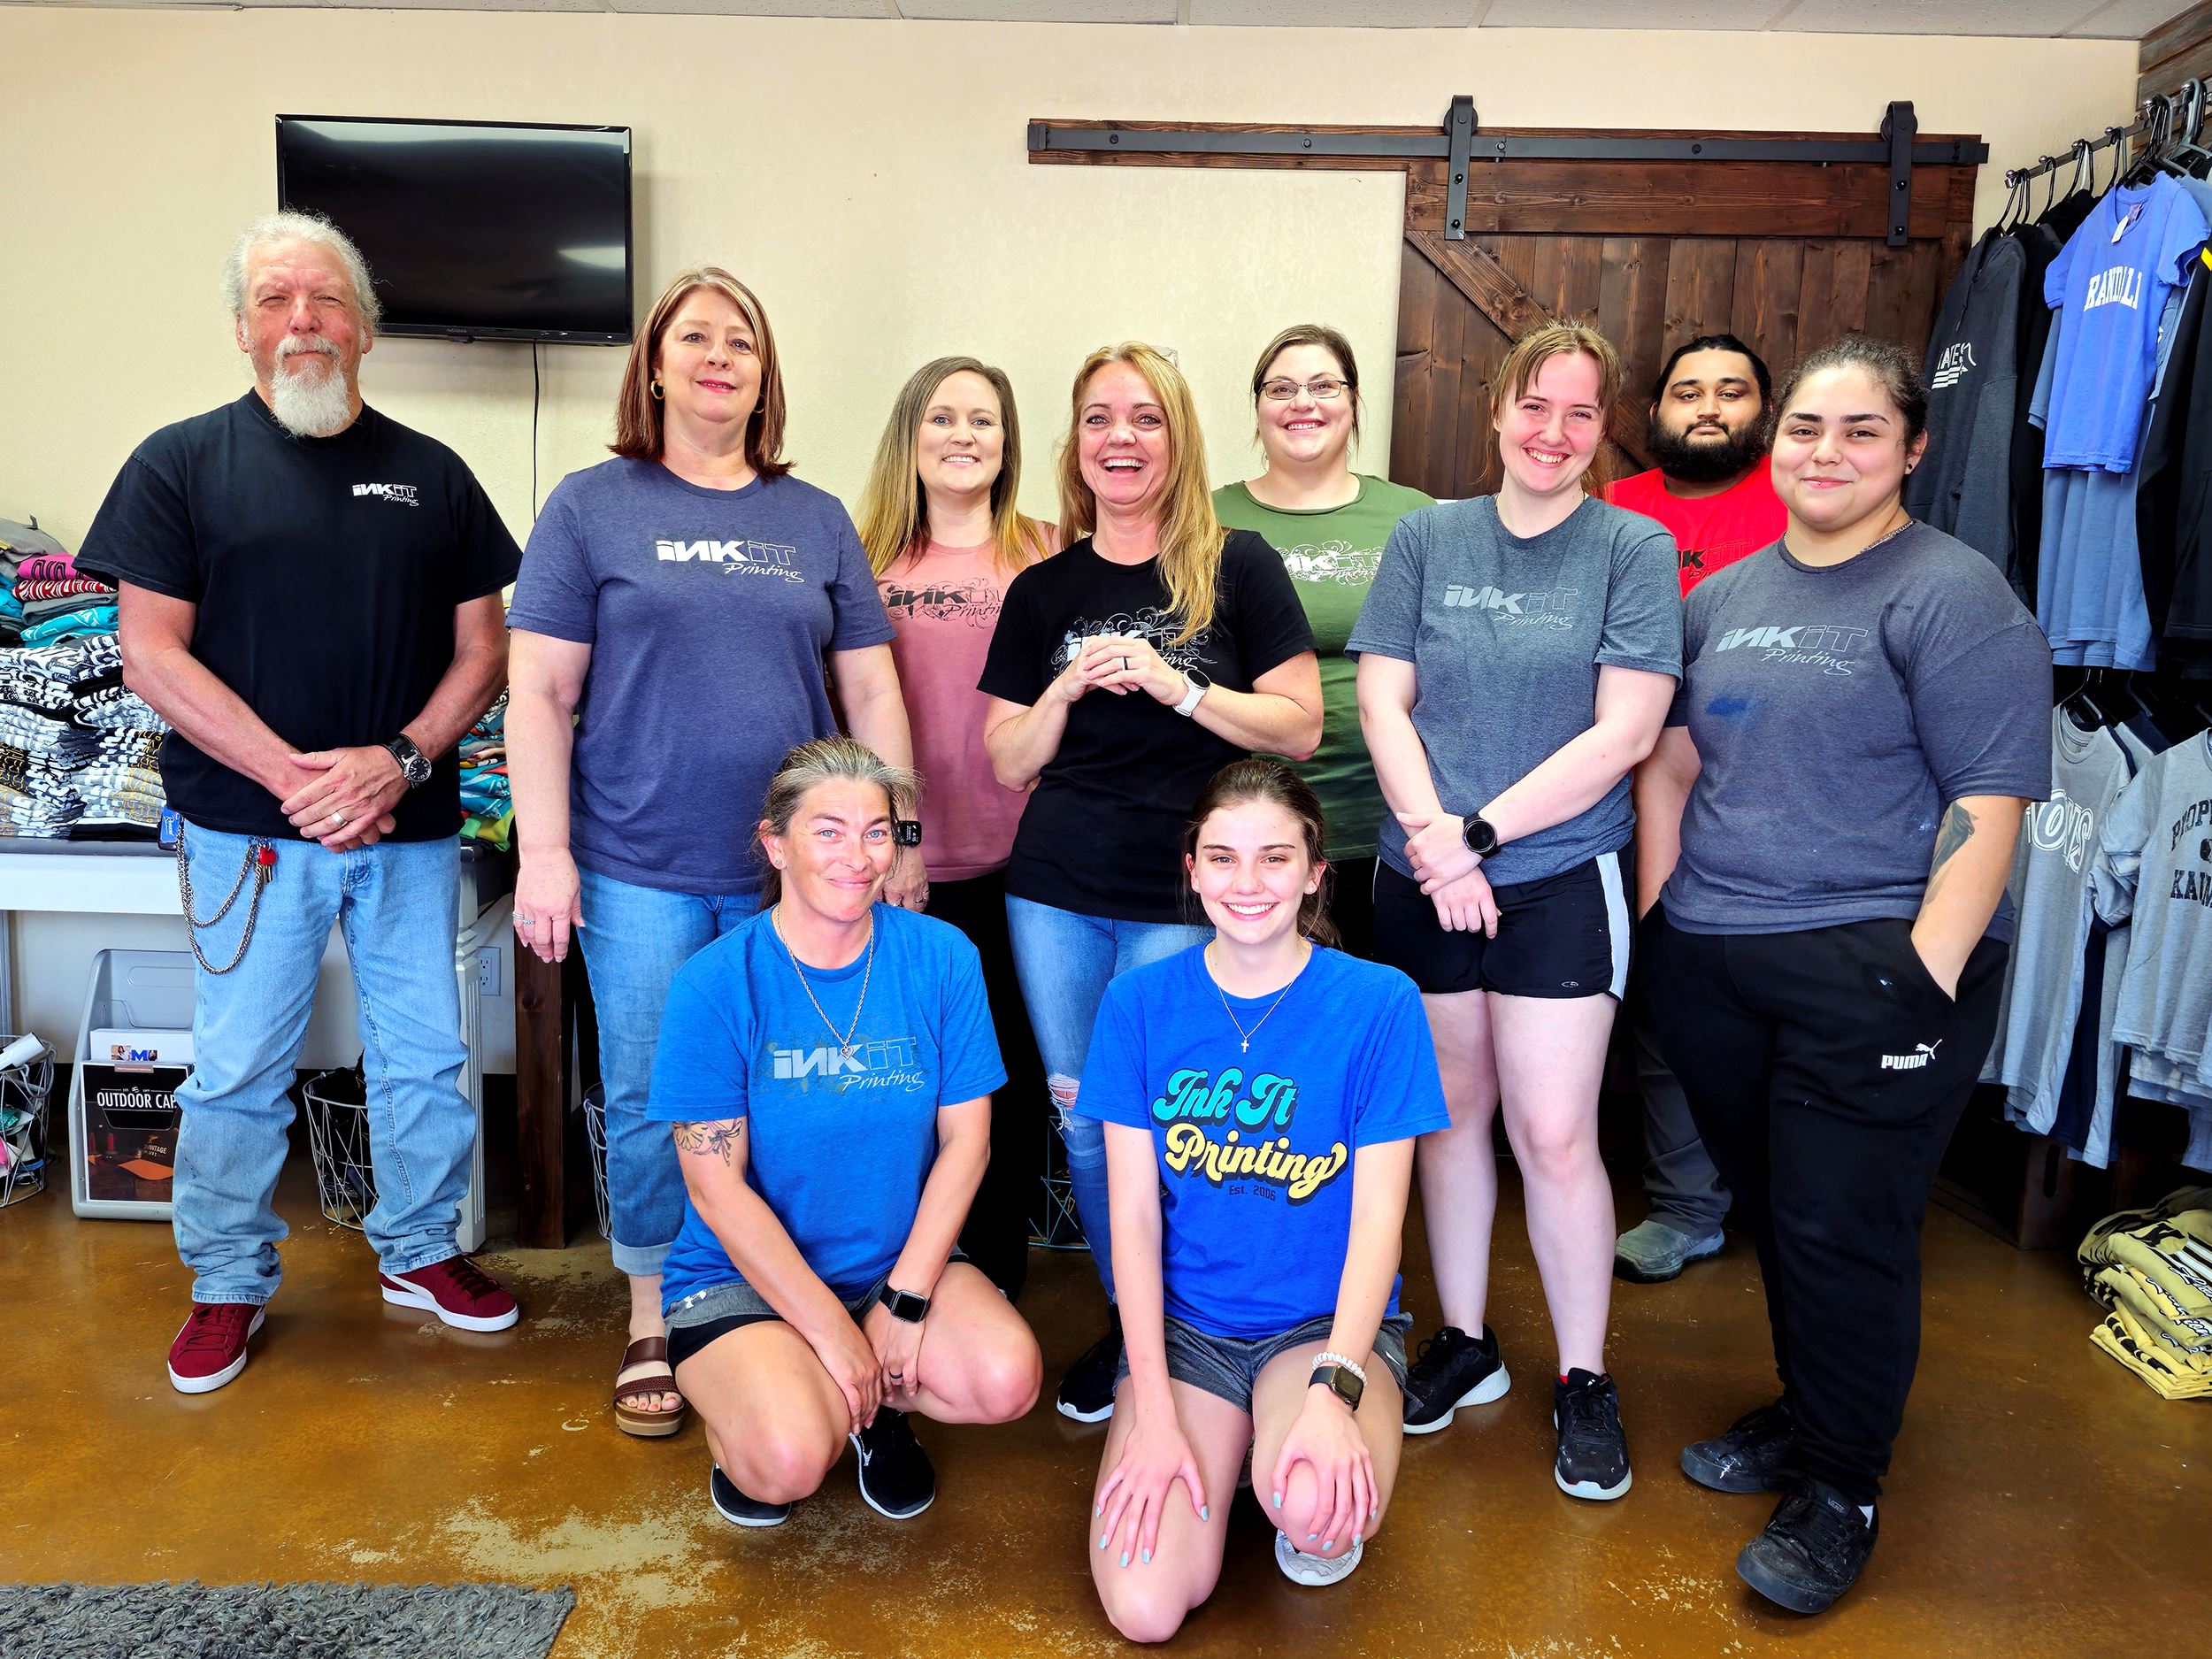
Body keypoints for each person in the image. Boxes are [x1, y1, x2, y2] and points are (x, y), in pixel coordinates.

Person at [1637, 336, 2050, 1614]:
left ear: (1913, 448)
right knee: (1779, 1210)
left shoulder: (1953, 594)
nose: (1827, 452)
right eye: (1808, 428)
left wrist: (1917, 981)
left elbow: (1993, 803)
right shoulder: (1727, 594)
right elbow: (1670, 760)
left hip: (1872, 962)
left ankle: (1842, 1486)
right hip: (1713, 954)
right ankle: (1815, 1410)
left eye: (1861, 430)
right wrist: (1662, 921)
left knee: (1843, 1226)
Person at [80, 211, 521, 1395]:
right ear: (241, 328)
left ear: (364, 326)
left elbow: (484, 649)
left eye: (325, 300)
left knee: (428, 1058)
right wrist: (298, 778)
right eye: (276, 300)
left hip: (408, 829)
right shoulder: (180, 463)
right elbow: (150, 654)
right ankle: (225, 1278)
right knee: (235, 1069)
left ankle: (422, 1249)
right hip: (248, 834)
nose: (303, 321)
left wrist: (400, 760)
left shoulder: (434, 473)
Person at [505, 266, 923, 1440]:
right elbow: (535, 688)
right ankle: (654, 1302)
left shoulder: (813, 518)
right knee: (653, 1094)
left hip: (801, 873)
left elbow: (872, 685)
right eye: (696, 337)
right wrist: (545, 852)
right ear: (654, 365)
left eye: (742, 339)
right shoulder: (592, 506)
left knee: (794, 1094)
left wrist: (897, 832)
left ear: (763, 374)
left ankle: (774, 1303)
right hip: (635, 863)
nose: (719, 356)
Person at [1348, 320, 1679, 1499]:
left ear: (1602, 430)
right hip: (1422, 871)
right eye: (1535, 407)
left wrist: (1478, 836)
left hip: (1555, 879)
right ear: (1497, 414)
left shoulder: (1633, 547)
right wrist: (1438, 842)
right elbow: (1384, 700)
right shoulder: (1427, 536)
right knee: (1454, 1116)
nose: (1553, 432)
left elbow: (1625, 731)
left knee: (1552, 1134)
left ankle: (1584, 1377)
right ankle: (1468, 1338)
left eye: (1581, 413)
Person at [979, 342, 1322, 1424]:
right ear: (1075, 447)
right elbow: (1005, 758)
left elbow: (1301, 726)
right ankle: (1137, 1330)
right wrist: (1064, 693)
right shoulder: (1044, 590)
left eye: (1143, 419)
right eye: (1097, 420)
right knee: (1087, 1122)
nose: (1119, 439)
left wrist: (1180, 689)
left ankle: (1197, 1331)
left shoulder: (1240, 565)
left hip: (1190, 894)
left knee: (1186, 1123)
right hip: (1056, 889)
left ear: (1177, 440)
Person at [1079, 761, 1448, 1638]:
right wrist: (1155, 1413)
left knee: (1316, 1511)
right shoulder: (1137, 1004)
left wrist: (1333, 1389)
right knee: (1143, 1608)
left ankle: (1279, 1443)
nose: (1248, 883)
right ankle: (1226, 1440)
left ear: (1316, 872)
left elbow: (1379, 1226)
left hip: (1318, 1329)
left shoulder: (1377, 1003)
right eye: (1224, 858)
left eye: (1275, 858)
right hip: (1188, 1333)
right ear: (1192, 868)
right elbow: (1129, 1220)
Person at [648, 737, 1041, 1526]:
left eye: (877, 830)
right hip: (740, 1278)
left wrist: (902, 1299)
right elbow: (714, 1188)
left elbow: (970, 1141)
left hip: (890, 1264)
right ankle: (773, 1420)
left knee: (1008, 1378)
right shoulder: (716, 982)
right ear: (775, 843)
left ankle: (873, 1410)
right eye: (828, 830)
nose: (858, 856)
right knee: (786, 1461)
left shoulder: (942, 956)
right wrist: (834, 1333)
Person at [857, 357, 1058, 1297]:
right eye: (943, 418)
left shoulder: (1050, 554)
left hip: (1029, 868)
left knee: (1007, 1086)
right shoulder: (864, 561)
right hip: (899, 870)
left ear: (1008, 443)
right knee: (903, 1087)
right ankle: (900, 1280)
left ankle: (990, 1289)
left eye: (984, 419)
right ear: (911, 435)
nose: (964, 436)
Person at [1605, 334, 1787, 1286]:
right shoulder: (1613, 511)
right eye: (1686, 391)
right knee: (1667, 998)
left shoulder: (1801, 499)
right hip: (1626, 789)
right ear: (1655, 413)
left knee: (1774, 1006)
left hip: (1766, 795)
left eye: (1731, 391)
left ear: (1764, 409)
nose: (1707, 406)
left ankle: (1783, 1201)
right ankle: (1686, 1209)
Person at [1213, 325, 1434, 959]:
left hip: (1387, 822)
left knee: (1372, 1027)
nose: (1302, 401)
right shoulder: (1206, 521)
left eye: (1323, 385)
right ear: (1258, 410)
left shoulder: (1414, 519)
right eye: (1281, 388)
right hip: (1250, 832)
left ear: (1354, 402)